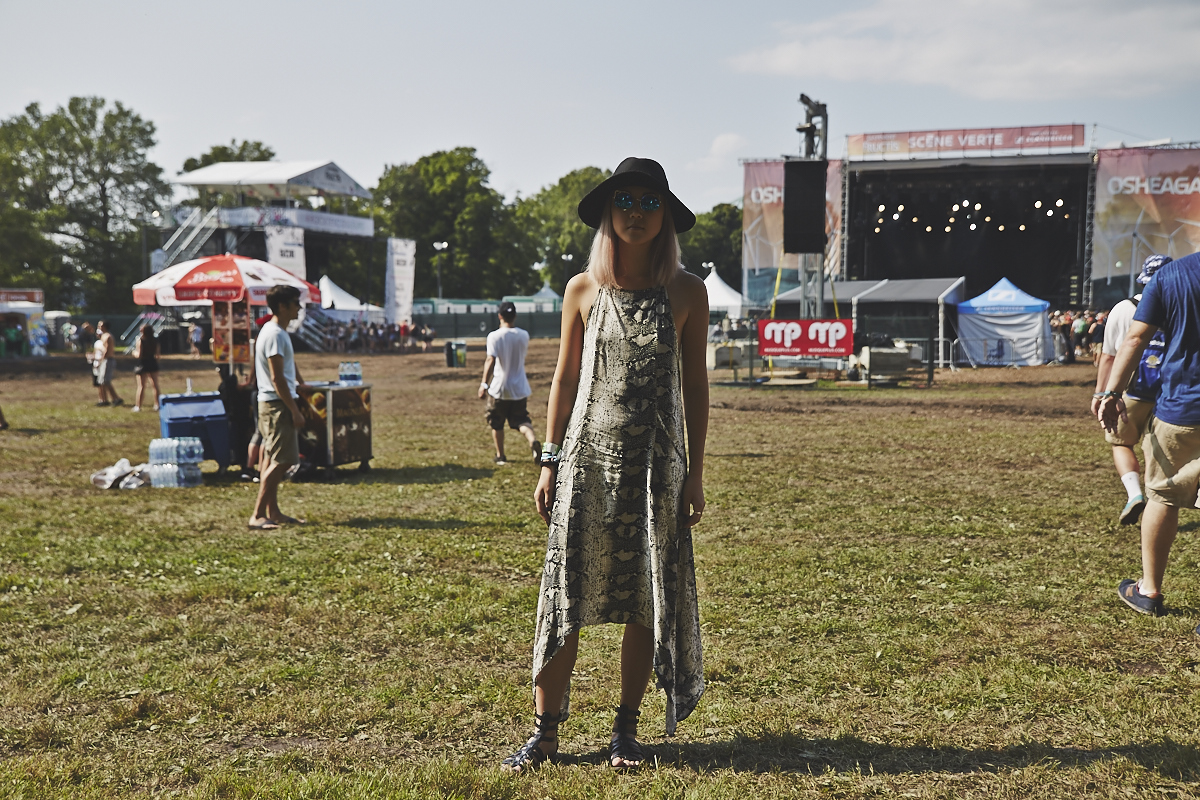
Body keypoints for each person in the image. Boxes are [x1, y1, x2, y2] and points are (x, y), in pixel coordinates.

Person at [502, 157, 708, 773]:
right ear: (607, 213)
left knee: (646, 597)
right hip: (586, 463)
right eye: (625, 201)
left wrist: (695, 472)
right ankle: (545, 734)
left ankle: (626, 731)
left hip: (655, 468)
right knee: (565, 594)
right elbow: (565, 380)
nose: (636, 213)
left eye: (649, 202)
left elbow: (695, 388)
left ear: (665, 214)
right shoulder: (582, 289)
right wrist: (548, 461)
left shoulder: (687, 291)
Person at [1098, 250, 1200, 617]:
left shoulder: (1172, 275)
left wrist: (1110, 392)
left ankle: (1150, 590)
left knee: (1163, 497)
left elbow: (1134, 339)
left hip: (1182, 407)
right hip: (1179, 403)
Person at [1093, 255, 1172, 526]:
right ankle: (1156, 498)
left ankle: (1134, 494)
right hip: (1168, 391)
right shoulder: (1181, 306)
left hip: (1131, 390)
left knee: (1121, 442)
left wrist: (1101, 393)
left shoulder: (1124, 308)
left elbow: (1109, 356)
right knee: (1155, 446)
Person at [249, 285, 307, 530]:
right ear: (282, 306)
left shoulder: (274, 331)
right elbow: (277, 378)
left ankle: (273, 511)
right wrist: (294, 410)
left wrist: (301, 382)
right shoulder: (275, 334)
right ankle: (257, 514)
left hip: (271, 403)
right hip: (277, 404)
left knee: (272, 458)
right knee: (283, 461)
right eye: (295, 302)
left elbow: (286, 369)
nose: (299, 307)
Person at [478, 301, 540, 465]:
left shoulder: (494, 336)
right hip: (520, 387)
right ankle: (532, 440)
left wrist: (484, 384)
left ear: (500, 316)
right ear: (515, 316)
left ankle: (500, 455)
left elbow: (491, 360)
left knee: (496, 423)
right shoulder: (524, 335)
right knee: (521, 420)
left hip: (500, 388)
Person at [93, 321, 123, 407]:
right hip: (104, 360)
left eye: (100, 325)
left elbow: (106, 351)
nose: (99, 327)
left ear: (105, 326)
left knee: (106, 381)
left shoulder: (108, 336)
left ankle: (116, 399)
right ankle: (104, 400)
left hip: (108, 360)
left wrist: (100, 361)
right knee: (101, 381)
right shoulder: (103, 336)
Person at [131, 324, 161, 412]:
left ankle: (138, 406)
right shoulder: (155, 340)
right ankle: (157, 404)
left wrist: (134, 353)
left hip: (143, 364)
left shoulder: (141, 340)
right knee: (155, 385)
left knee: (141, 386)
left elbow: (139, 354)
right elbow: (158, 355)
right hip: (152, 362)